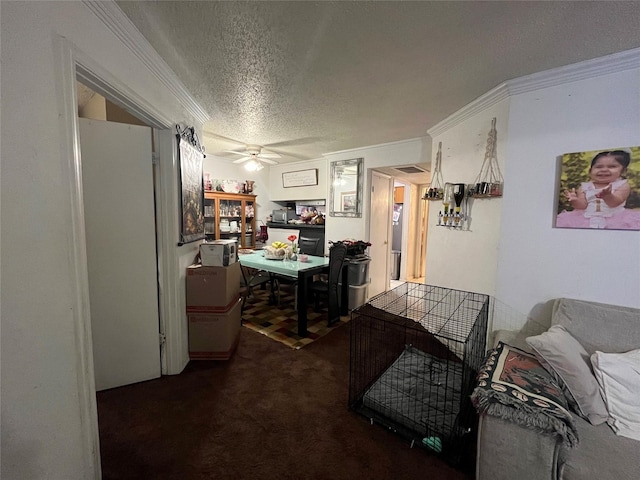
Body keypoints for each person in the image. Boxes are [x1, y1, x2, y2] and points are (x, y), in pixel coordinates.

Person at [556, 150, 640, 230]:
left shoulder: (622, 185)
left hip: (616, 219)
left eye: (612, 166)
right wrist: (575, 200)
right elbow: (582, 206)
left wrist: (608, 195)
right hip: (585, 219)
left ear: (624, 171)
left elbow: (615, 202)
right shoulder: (585, 187)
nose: (604, 170)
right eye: (599, 167)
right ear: (590, 171)